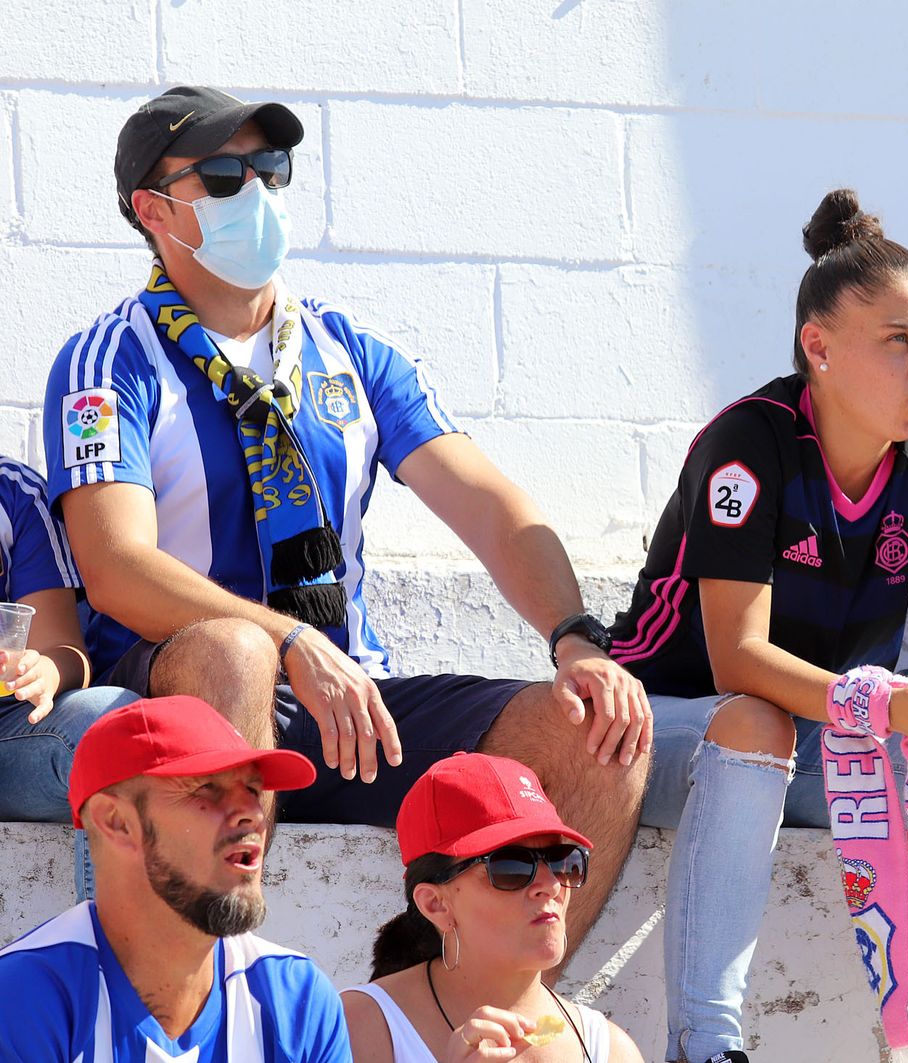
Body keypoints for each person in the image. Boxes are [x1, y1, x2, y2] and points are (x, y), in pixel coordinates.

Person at [42, 85, 650, 952]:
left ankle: (485, 1025)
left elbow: (489, 504)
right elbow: (113, 564)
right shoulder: (109, 359)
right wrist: (290, 642)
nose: (255, 191)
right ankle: (221, 1006)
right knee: (234, 649)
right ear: (152, 209)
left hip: (351, 703)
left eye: (270, 167)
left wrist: (576, 636)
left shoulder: (347, 348)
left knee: (599, 731)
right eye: (221, 175)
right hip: (186, 691)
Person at [608, 188, 908, 1062]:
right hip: (666, 727)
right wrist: (886, 708)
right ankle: (706, 1044)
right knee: (756, 722)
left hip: (831, 737)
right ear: (819, 348)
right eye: (900, 341)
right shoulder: (749, 443)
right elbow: (738, 657)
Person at [0, 695, 349, 1061]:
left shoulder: (296, 1002)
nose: (252, 815)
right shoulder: (23, 1000)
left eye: (252, 790)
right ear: (116, 822)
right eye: (206, 788)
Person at [343, 752, 643, 1062]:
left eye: (562, 861)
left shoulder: (609, 1049)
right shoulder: (361, 1026)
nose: (551, 885)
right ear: (436, 905)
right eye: (510, 868)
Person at [0, 455, 138, 827]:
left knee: (116, 723)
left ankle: (112, 889)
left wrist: (43, 671)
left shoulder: (14, 492)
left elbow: (66, 651)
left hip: (10, 733)